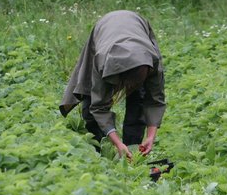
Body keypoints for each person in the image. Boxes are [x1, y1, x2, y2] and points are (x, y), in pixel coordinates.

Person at [60, 10, 166, 159]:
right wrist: (117, 142)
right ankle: (98, 148)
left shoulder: (152, 60)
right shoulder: (102, 60)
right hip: (105, 30)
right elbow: (98, 107)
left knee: (140, 97)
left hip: (136, 25)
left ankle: (132, 149)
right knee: (90, 96)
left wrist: (151, 136)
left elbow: (155, 100)